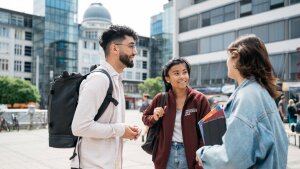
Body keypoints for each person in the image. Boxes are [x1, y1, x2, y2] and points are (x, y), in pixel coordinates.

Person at [196, 34, 288, 169]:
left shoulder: (247, 96)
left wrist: (202, 154)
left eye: (228, 56)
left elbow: (232, 159)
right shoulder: (260, 92)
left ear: (236, 57)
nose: (226, 62)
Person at [71, 25, 141, 169]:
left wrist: (126, 130)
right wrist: (121, 130)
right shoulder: (99, 79)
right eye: (131, 46)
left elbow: (108, 124)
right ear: (115, 48)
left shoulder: (116, 80)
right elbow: (79, 127)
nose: (135, 52)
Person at [142, 58, 211, 169]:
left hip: (190, 155)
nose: (182, 76)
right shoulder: (160, 98)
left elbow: (207, 131)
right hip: (165, 154)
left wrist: (201, 153)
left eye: (185, 72)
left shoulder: (199, 99)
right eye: (176, 73)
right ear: (167, 79)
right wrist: (154, 117)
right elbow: (145, 118)